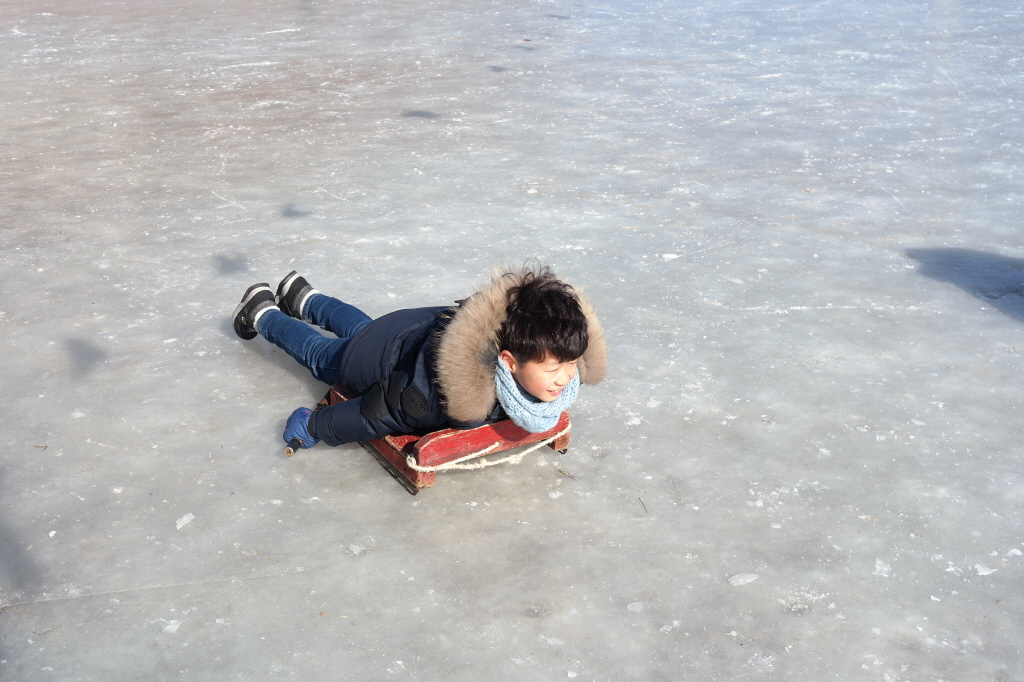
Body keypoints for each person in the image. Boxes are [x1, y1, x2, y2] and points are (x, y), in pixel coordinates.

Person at [230, 264, 607, 449]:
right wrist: (316, 426)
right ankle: (262, 312)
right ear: (509, 361)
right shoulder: (439, 392)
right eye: (554, 368)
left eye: (570, 363)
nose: (565, 378)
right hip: (379, 359)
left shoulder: (530, 336)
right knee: (324, 355)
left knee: (364, 330)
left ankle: (301, 296)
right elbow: (378, 412)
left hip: (406, 332)